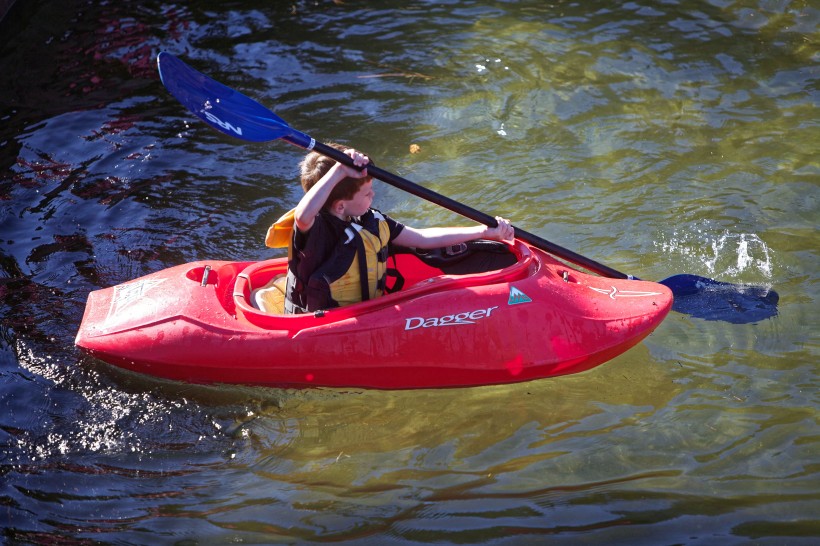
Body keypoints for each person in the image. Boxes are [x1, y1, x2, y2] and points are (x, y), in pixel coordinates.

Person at [266, 144, 514, 315]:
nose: (373, 195)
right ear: (341, 205)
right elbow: (302, 216)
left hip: (364, 313)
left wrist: (482, 232)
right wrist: (339, 170)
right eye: (367, 193)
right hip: (321, 322)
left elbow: (422, 238)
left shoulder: (369, 220)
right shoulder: (316, 230)